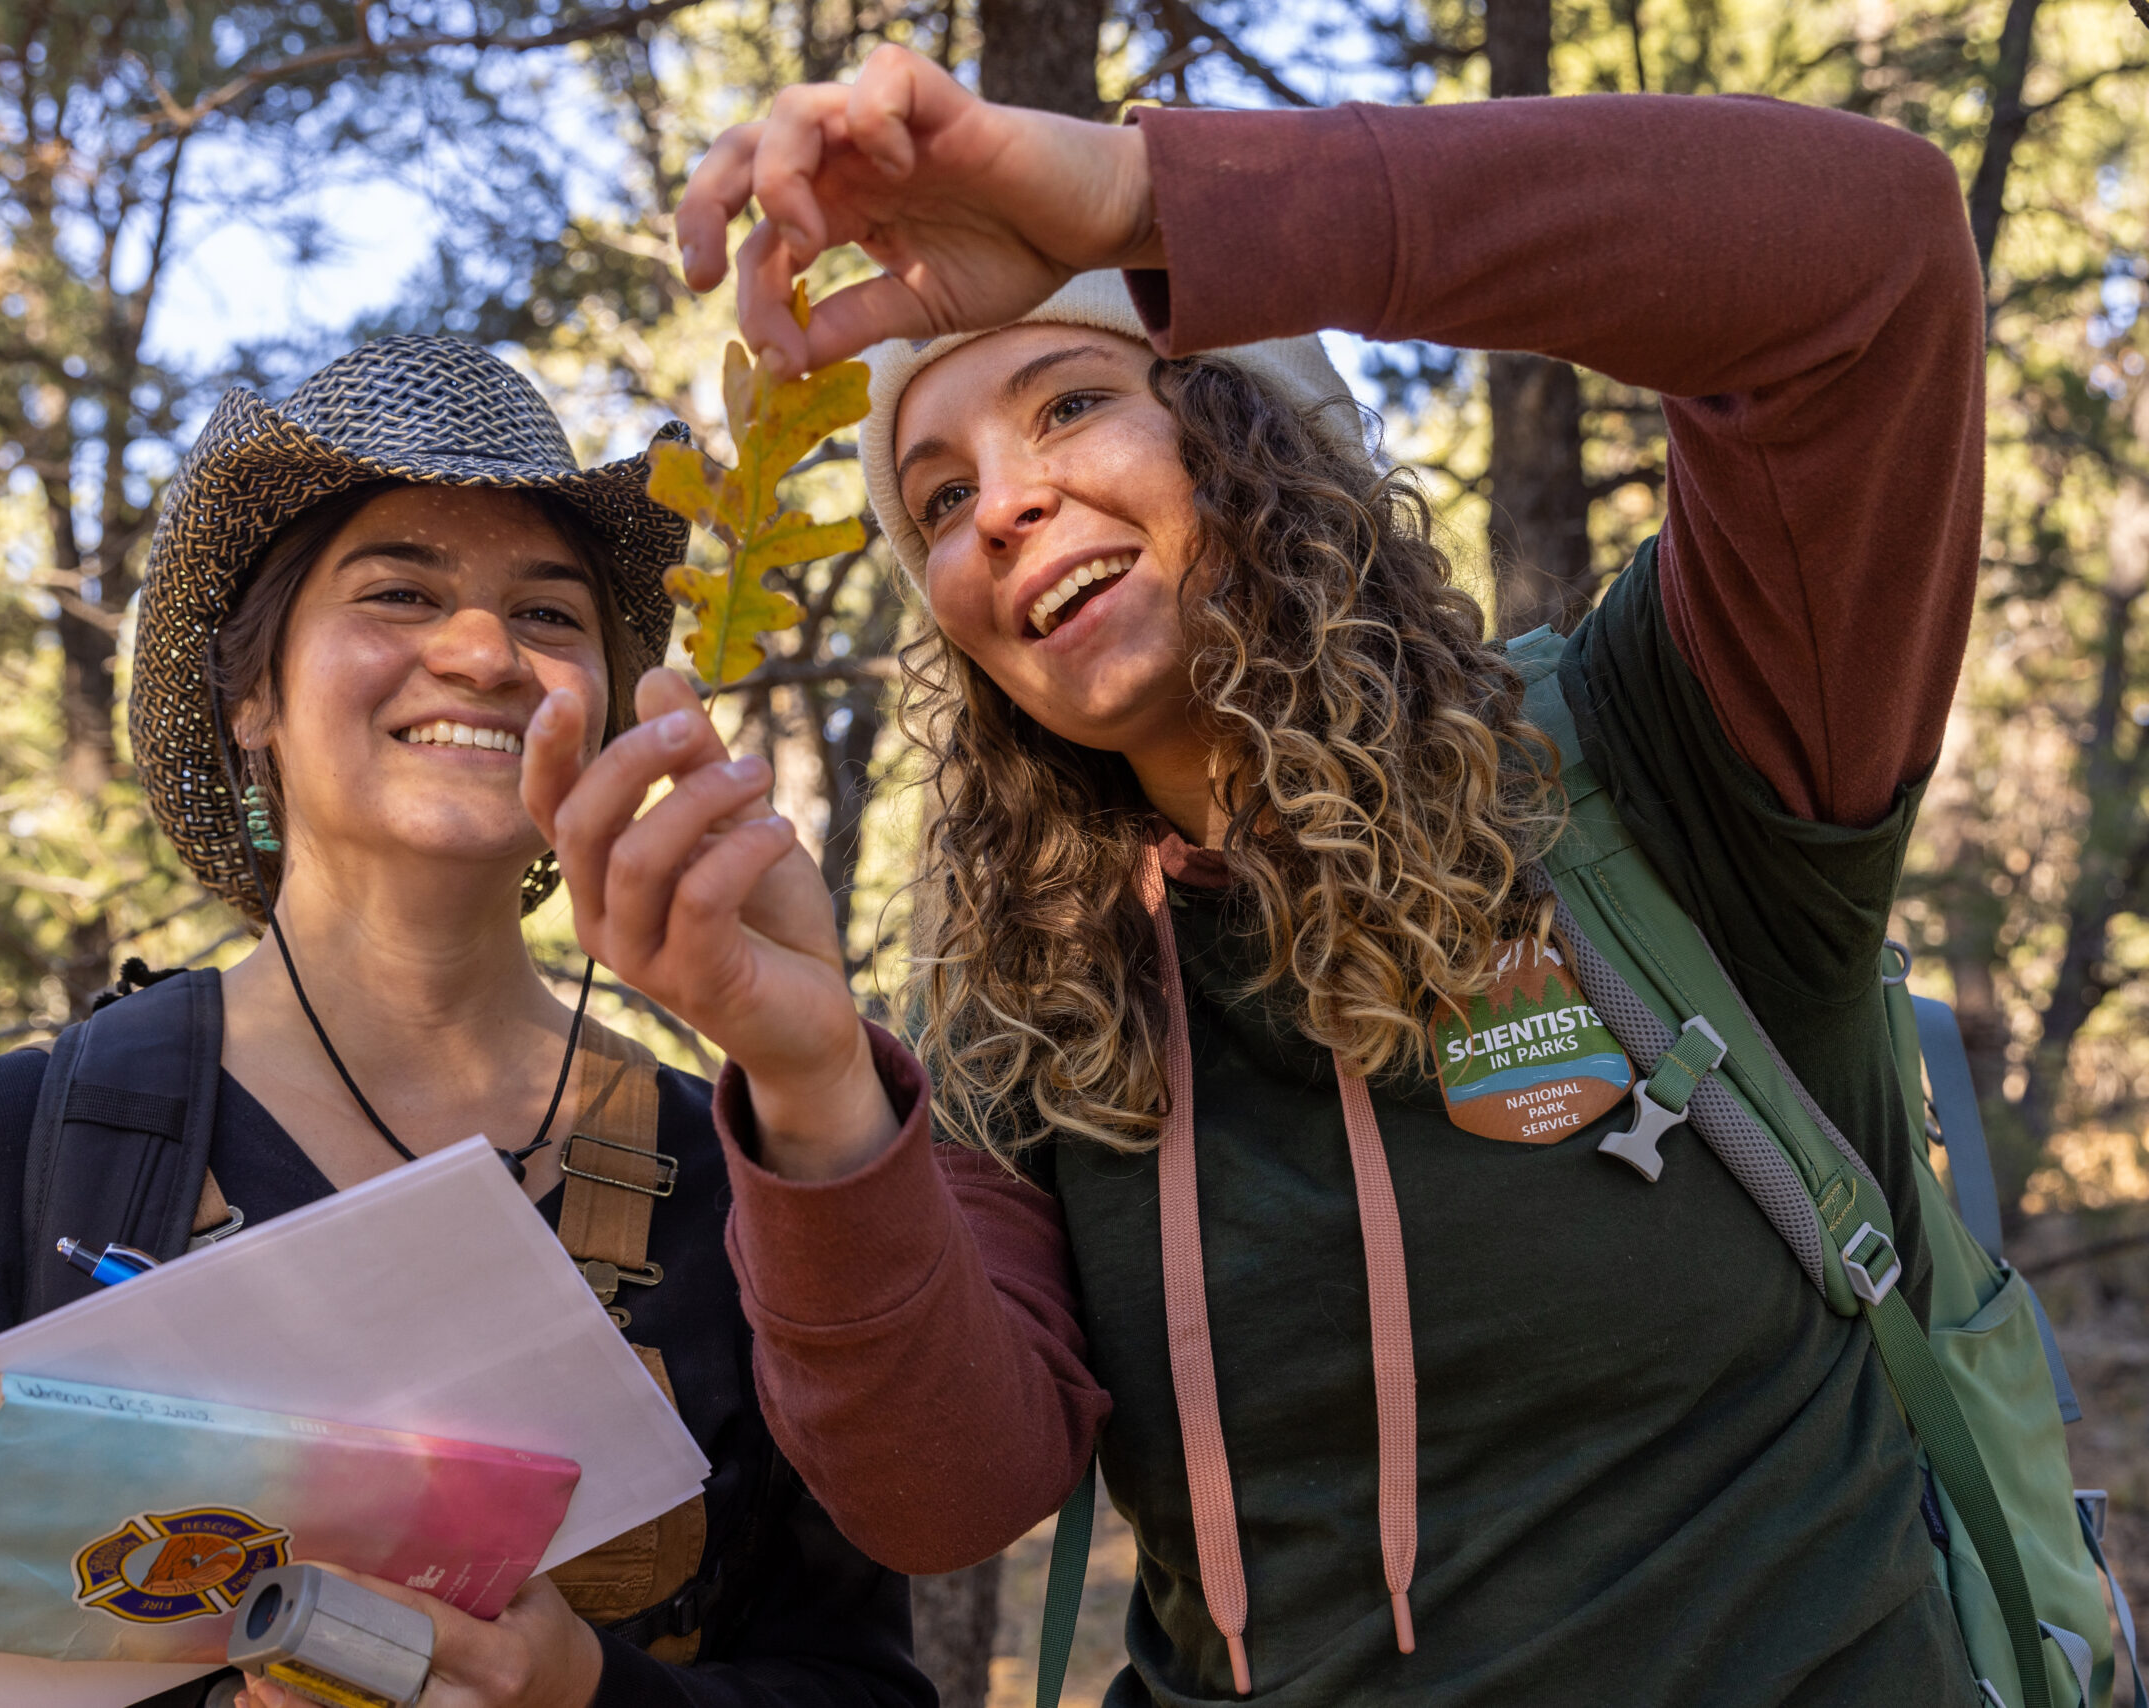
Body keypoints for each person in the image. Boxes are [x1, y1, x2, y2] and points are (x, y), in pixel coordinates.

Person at [522, 45, 1995, 1707]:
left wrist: (1153, 199)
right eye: (935, 501)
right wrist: (803, 1081)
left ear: (1256, 427)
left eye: (1072, 402)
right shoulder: (1032, 1002)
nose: (1000, 507)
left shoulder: (1669, 755)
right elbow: (948, 1497)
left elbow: (1867, 258)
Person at [0, 337, 931, 1708]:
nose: (481, 652)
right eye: (399, 590)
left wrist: (595, 1699)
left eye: (551, 615)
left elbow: (858, 1683)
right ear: (253, 693)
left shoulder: (749, 1189)